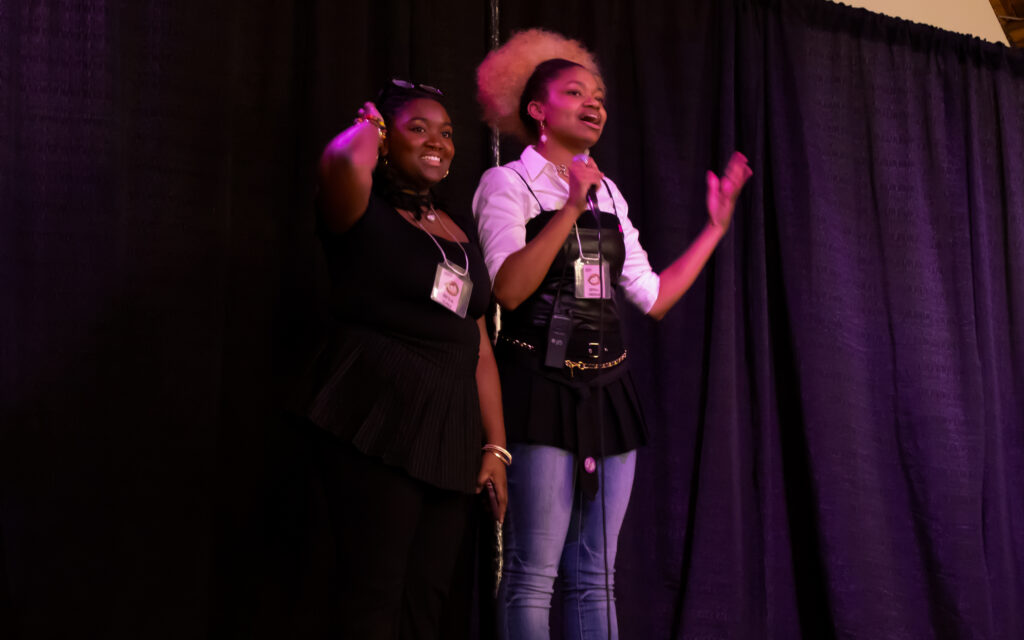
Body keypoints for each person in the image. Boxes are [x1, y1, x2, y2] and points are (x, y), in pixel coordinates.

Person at [472, 30, 753, 640]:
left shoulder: (611, 192)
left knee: (597, 576)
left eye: (599, 94)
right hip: (537, 387)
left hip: (609, 393)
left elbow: (652, 297)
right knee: (533, 573)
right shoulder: (507, 186)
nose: (595, 103)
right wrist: (570, 207)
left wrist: (714, 227)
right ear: (538, 111)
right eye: (576, 92)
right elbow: (509, 290)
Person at [294, 79, 509, 639]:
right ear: (388, 139)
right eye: (418, 128)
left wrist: (495, 445)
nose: (438, 141)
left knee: (427, 597)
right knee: (375, 592)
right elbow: (342, 159)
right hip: (378, 414)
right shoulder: (361, 211)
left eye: (446, 132)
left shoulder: (456, 230)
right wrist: (373, 126)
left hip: (449, 430)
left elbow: (478, 344)